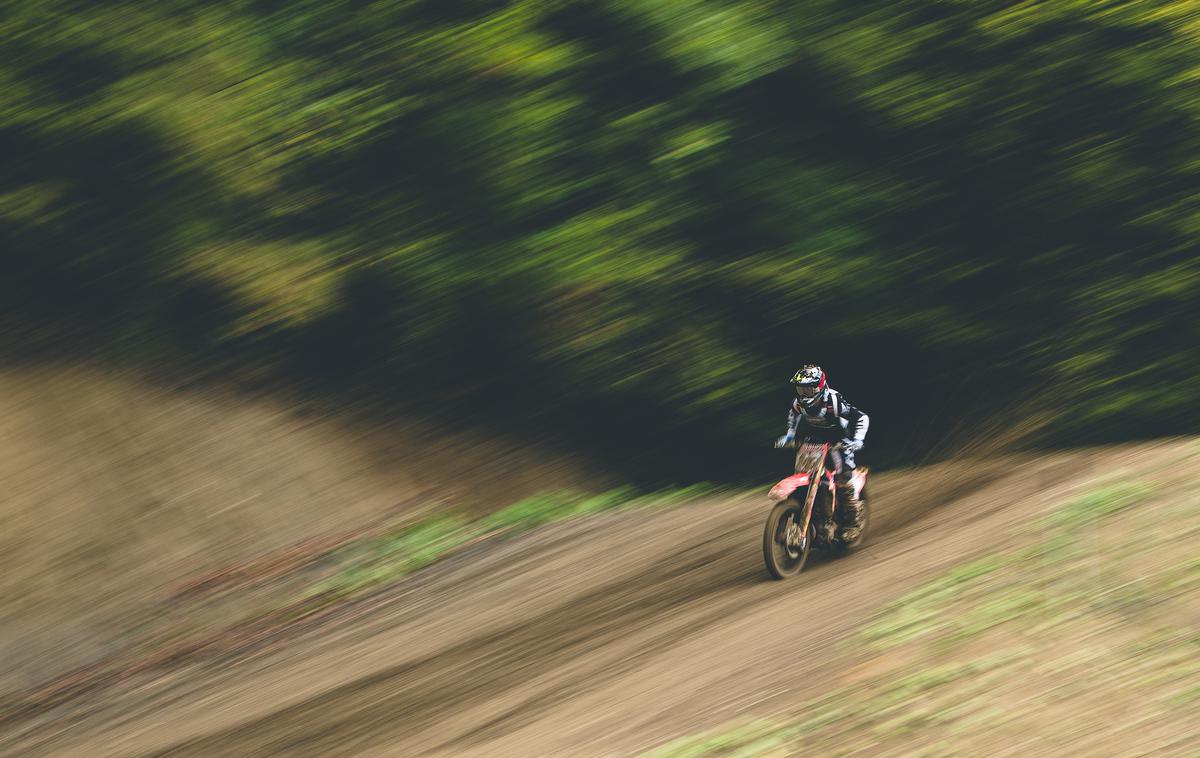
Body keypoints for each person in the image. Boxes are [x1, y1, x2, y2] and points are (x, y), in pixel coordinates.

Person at [774, 365, 870, 540]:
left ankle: (852, 523)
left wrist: (857, 440)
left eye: (807, 389)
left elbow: (861, 417)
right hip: (816, 440)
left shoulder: (833, 401)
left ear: (819, 387)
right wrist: (789, 437)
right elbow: (793, 417)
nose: (803, 393)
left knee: (842, 478)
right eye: (800, 389)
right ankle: (816, 517)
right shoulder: (798, 403)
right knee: (805, 473)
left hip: (840, 441)